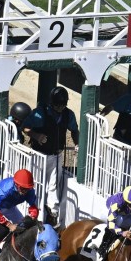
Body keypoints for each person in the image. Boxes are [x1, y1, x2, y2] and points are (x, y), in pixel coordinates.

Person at [27, 86, 80, 219]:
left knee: (54, 184)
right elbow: (25, 127)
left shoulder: (69, 114)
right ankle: (35, 211)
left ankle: (53, 212)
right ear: (52, 103)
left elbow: (74, 130)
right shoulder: (40, 112)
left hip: (57, 155)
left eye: (63, 105)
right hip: (40, 155)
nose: (60, 108)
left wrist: (77, 143)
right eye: (57, 105)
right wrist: (36, 135)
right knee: (37, 183)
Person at [0, 169, 39, 261]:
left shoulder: (29, 190)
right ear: (16, 184)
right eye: (22, 188)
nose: (25, 191)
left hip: (10, 207)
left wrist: (33, 216)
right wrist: (9, 225)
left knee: (25, 227)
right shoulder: (5, 189)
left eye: (27, 189)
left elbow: (33, 206)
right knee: (4, 230)